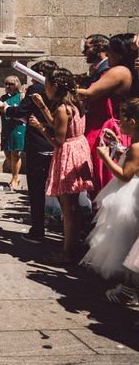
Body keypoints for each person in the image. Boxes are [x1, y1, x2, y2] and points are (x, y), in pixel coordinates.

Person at [29, 68, 94, 264]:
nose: (45, 89)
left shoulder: (62, 108)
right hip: (79, 149)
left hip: (67, 154)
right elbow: (58, 124)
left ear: (55, 86)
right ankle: (73, 247)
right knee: (72, 205)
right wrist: (42, 108)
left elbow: (57, 140)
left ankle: (68, 253)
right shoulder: (75, 104)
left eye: (47, 85)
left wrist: (40, 128)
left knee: (68, 208)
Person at [0, 60, 58, 243]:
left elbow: (22, 111)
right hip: (57, 142)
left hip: (38, 143)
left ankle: (38, 230)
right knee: (58, 186)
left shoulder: (36, 89)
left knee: (37, 187)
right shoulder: (60, 88)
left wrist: (7, 110)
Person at [81, 98, 139, 282]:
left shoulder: (137, 148)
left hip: (128, 197)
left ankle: (128, 286)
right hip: (127, 192)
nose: (118, 122)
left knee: (123, 241)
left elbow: (125, 174)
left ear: (132, 122)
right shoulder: (135, 144)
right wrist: (116, 146)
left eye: (121, 119)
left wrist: (105, 157)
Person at [78, 33, 138, 196]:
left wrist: (63, 87)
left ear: (119, 53)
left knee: (104, 180)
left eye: (110, 50)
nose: (107, 53)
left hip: (109, 128)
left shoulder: (119, 71)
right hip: (117, 128)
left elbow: (89, 93)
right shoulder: (129, 70)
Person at [0, 76, 25, 190]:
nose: (7, 86)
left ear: (16, 84)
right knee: (7, 154)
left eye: (10, 84)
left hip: (17, 128)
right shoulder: (3, 98)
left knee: (15, 153)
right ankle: (14, 175)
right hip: (6, 128)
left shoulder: (21, 96)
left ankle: (15, 177)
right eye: (6, 84)